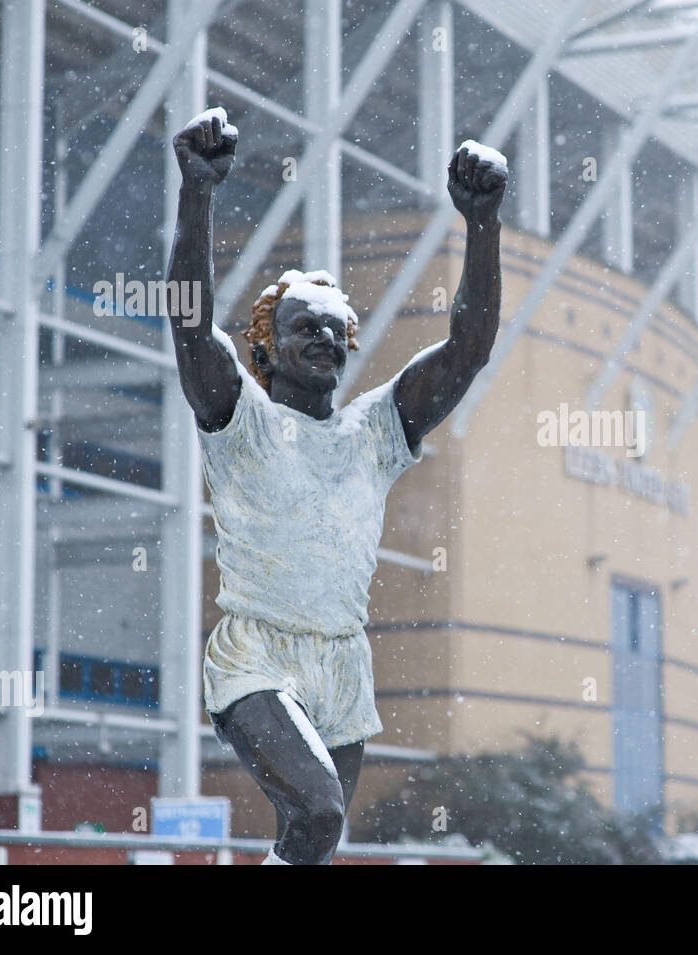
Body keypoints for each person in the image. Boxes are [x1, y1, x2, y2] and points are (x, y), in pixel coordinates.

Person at [163, 106, 506, 864]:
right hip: (256, 652)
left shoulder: (375, 429)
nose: (320, 336)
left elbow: (468, 350)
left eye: (333, 328)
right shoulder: (238, 415)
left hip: (343, 663)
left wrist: (483, 227)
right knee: (318, 812)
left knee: (311, 841)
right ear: (267, 346)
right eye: (302, 326)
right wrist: (197, 195)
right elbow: (190, 328)